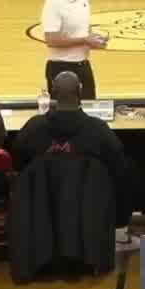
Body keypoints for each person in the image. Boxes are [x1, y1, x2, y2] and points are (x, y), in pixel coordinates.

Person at [11, 71, 135, 249]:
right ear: (80, 91)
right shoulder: (98, 129)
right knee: (127, 168)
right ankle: (119, 231)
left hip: (44, 207)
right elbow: (117, 166)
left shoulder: (33, 127)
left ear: (53, 93)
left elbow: (18, 163)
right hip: (86, 205)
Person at [41, 0, 105, 98]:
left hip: (84, 65)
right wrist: (85, 40)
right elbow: (51, 40)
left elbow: (84, 30)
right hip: (61, 69)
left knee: (90, 110)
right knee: (63, 115)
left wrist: (95, 40)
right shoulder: (53, 3)